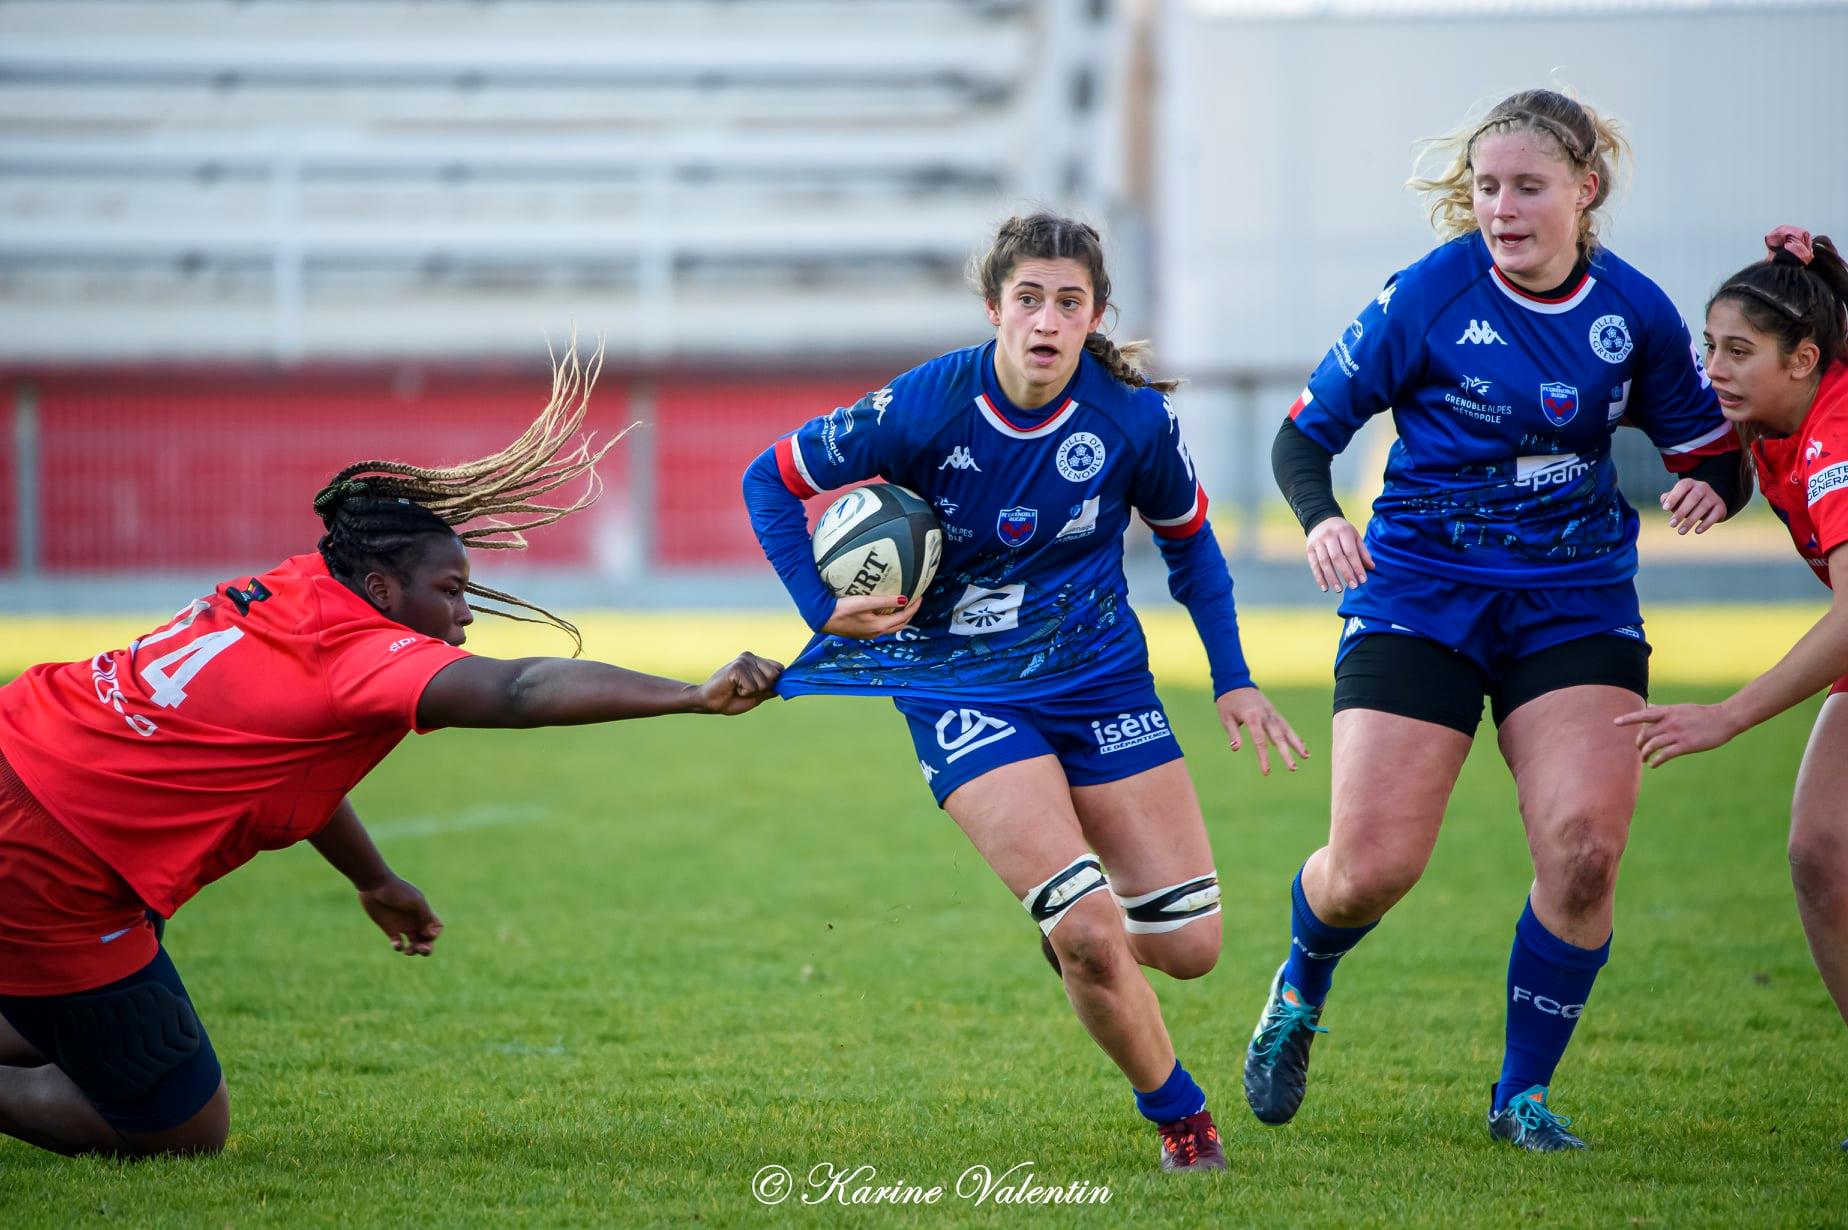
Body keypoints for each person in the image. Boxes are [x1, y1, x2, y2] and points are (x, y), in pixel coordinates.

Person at [0, 344, 782, 1158]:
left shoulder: (300, 586)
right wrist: (688, 694)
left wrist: (373, 878)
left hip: (24, 751)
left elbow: (287, 766)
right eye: (449, 594)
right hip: (54, 851)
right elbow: (518, 691)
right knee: (182, 1128)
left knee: (51, 1024)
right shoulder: (355, 651)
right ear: (381, 591)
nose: (464, 618)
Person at [741, 213, 1306, 1172]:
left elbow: (1191, 547)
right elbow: (770, 477)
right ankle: (1181, 1117)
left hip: (1098, 680)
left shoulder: (1130, 419)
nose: (1047, 320)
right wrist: (817, 606)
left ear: (1095, 316)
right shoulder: (927, 403)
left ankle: (1076, 932)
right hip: (959, 684)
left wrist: (1235, 680)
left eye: (1069, 302)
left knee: (1191, 947)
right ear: (996, 307)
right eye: (1029, 299)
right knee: (1088, 931)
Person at [1252, 89, 1748, 1152]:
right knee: (1371, 866)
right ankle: (1301, 984)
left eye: (1528, 187)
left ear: (1586, 190)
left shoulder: (1638, 313)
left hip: (1574, 602)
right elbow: (1304, 440)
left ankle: (1520, 1095)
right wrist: (1319, 520)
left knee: (1583, 854)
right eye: (1487, 188)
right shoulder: (1424, 296)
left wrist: (1716, 486)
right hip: (1420, 596)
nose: (1503, 208)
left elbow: (1715, 449)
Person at [1615, 227, 1848, 1146]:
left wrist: (1728, 714)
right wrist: (1728, 489)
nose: (1714, 369)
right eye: (1710, 346)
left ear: (1805, 358)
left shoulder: (1835, 430)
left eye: (1737, 351)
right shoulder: (1782, 413)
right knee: (1821, 854)